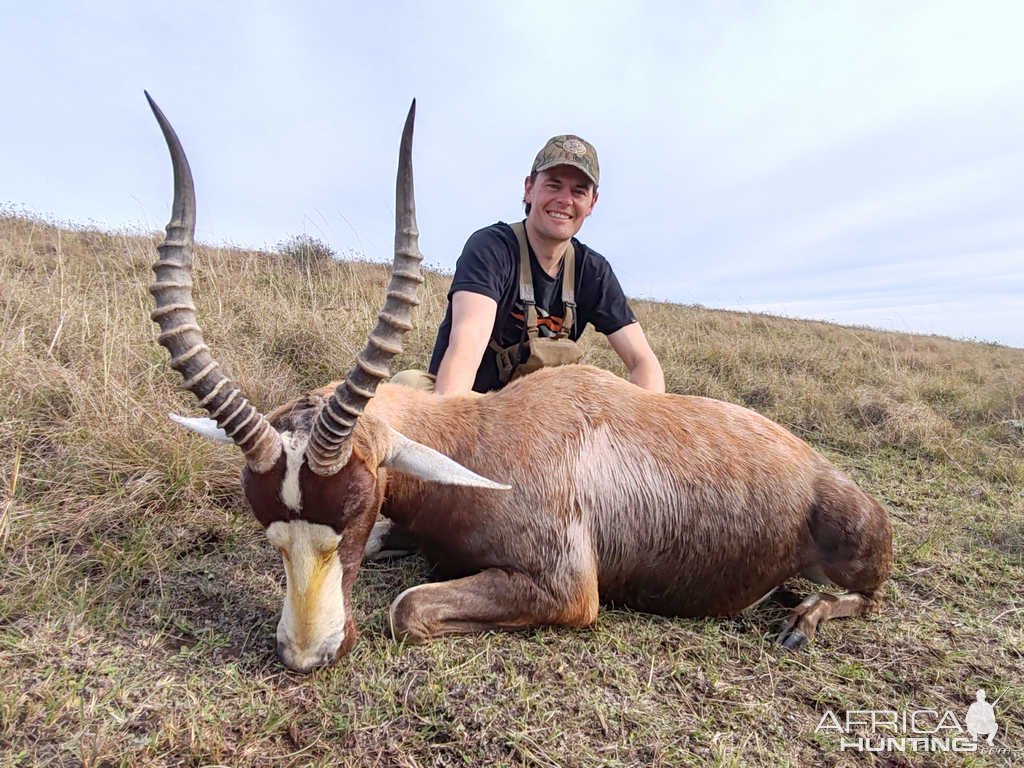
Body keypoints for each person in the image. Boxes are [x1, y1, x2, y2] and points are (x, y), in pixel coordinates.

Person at [396, 134, 664, 395]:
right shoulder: (491, 248)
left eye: (578, 191)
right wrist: (451, 423)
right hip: (475, 407)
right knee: (407, 385)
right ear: (529, 189)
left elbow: (643, 362)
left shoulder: (592, 270)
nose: (564, 200)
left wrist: (649, 427)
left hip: (543, 422)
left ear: (592, 202)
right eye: (553, 185)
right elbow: (468, 342)